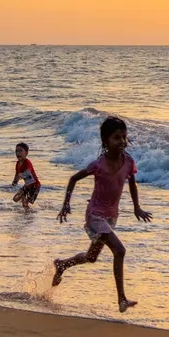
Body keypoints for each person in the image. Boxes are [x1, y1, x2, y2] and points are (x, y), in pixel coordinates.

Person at [53, 116, 152, 312]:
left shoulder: (128, 161)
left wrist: (137, 207)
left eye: (124, 137)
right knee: (120, 251)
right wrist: (66, 204)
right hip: (95, 216)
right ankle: (122, 299)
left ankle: (62, 264)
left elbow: (132, 183)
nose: (122, 141)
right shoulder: (99, 165)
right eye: (116, 138)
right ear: (106, 141)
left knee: (91, 257)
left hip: (111, 217)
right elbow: (73, 179)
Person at [11, 142, 41, 211]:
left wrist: (21, 175)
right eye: (16, 151)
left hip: (35, 186)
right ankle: (25, 209)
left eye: (20, 151)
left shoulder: (27, 162)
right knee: (15, 199)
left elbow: (28, 172)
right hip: (27, 185)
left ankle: (28, 214)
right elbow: (17, 173)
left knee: (25, 203)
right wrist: (15, 181)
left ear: (26, 153)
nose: (18, 153)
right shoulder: (18, 163)